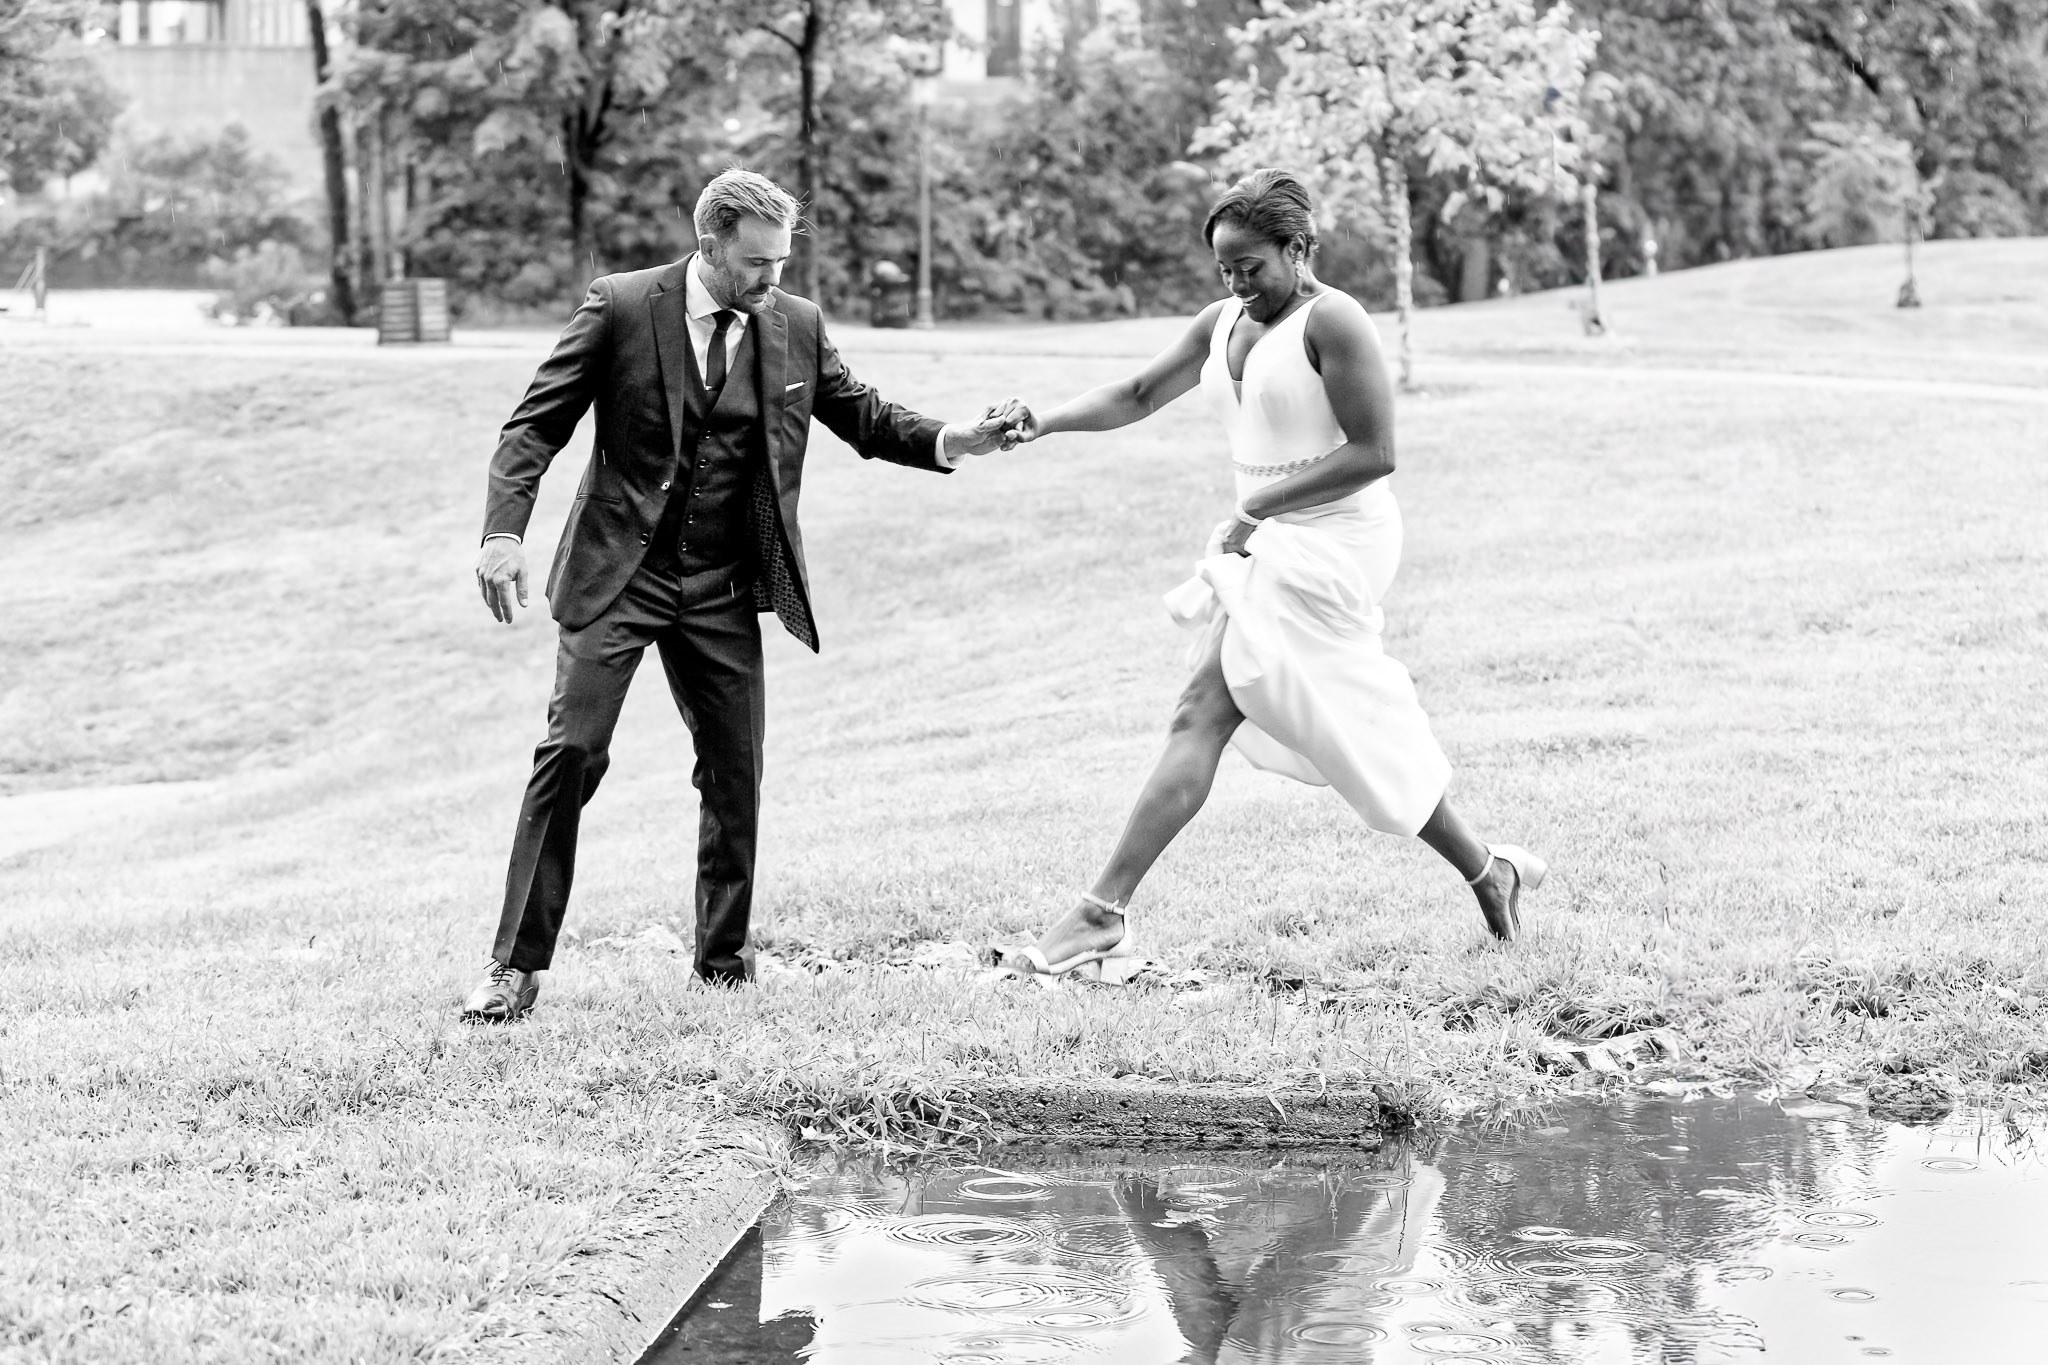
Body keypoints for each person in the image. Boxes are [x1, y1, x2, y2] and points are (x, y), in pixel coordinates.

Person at [462, 168, 1011, 1022]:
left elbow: (863, 416)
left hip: (720, 583)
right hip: (620, 573)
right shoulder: (620, 305)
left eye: (782, 263)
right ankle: (514, 966)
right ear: (710, 242)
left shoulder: (793, 324)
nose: (772, 280)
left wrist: (955, 438)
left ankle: (723, 964)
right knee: (570, 755)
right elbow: (535, 424)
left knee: (735, 772)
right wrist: (503, 533)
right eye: (757, 263)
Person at [990, 168, 1545, 980]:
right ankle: (1486, 869)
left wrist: (1260, 508)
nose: (1236, 283)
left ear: (1298, 247)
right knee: (1343, 728)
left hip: (1335, 537)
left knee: (1201, 708)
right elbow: (1140, 391)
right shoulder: (1221, 322)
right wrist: (1045, 420)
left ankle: (1101, 912)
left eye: (1251, 266)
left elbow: (1374, 453)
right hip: (1263, 537)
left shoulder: (1337, 320)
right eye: (1223, 267)